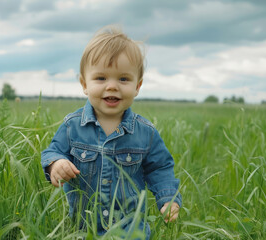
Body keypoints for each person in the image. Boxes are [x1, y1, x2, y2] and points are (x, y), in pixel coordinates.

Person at [41, 25, 182, 239]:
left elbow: (160, 168)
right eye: (101, 78)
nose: (112, 86)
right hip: (82, 229)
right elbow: (53, 152)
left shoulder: (145, 133)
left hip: (131, 230)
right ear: (84, 84)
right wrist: (56, 165)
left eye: (123, 79)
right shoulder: (72, 126)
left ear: (138, 86)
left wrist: (168, 198)